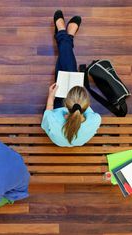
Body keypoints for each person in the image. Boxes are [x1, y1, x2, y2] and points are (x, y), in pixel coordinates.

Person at [41, 10, 101, 147]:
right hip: (64, 120)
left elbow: (46, 121)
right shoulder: (94, 121)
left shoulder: (53, 119)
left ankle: (64, 35)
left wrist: (50, 97)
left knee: (66, 70)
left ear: (65, 103)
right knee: (68, 70)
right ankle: (65, 36)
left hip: (55, 114)